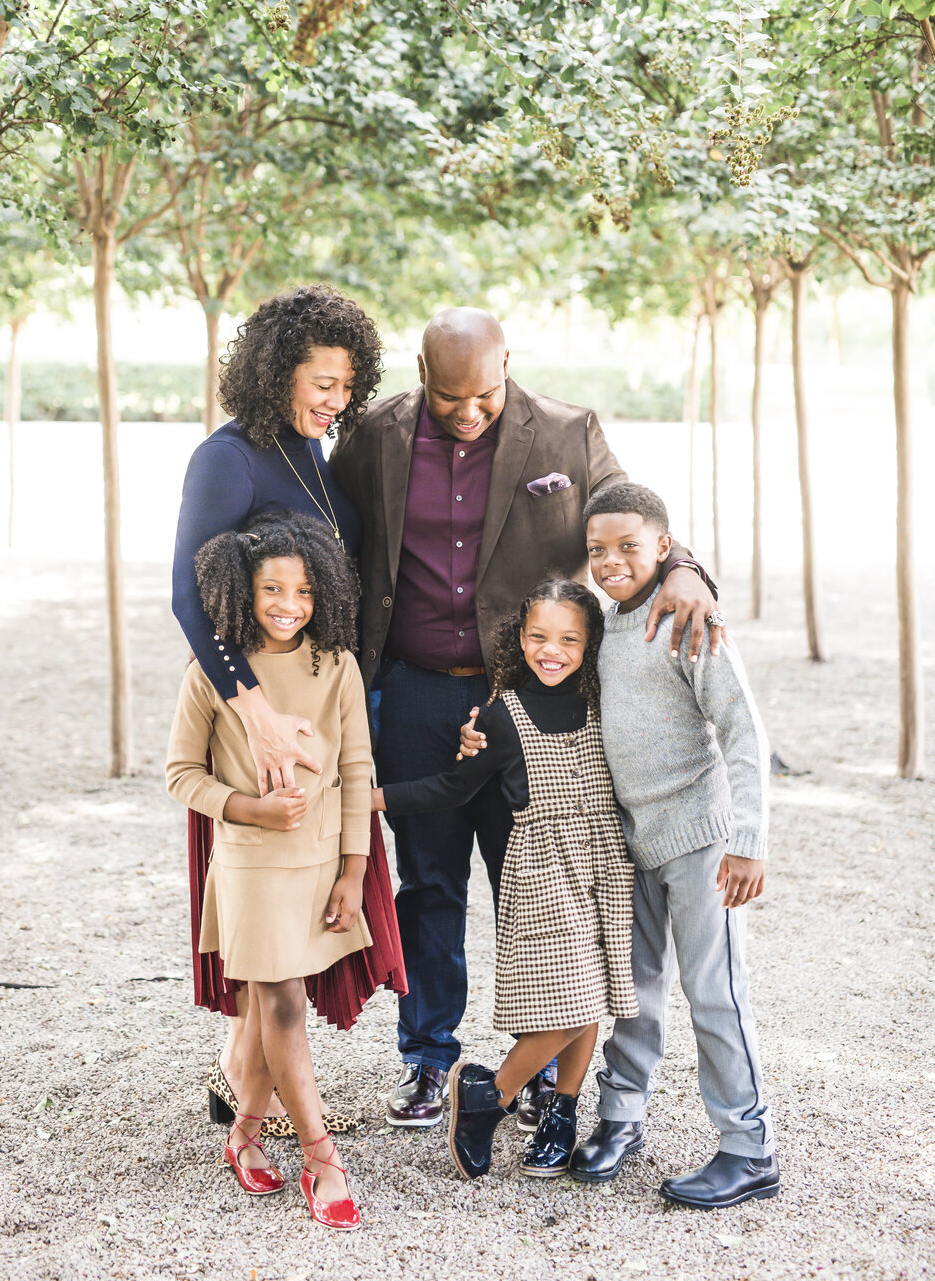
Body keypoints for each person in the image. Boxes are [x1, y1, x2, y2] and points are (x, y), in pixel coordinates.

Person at [330, 306, 719, 1131]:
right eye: (447, 397)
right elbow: (329, 539)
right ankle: (429, 1058)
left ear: (509, 363)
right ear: (422, 375)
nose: (467, 413)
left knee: (539, 890)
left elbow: (628, 515)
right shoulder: (374, 434)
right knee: (427, 884)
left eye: (484, 394)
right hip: (412, 693)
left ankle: (536, 1060)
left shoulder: (570, 434)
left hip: (534, 701)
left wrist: (684, 566)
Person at [171, 283, 404, 1134]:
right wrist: (252, 711)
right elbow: (187, 597)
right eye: (321, 384)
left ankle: (246, 1073)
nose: (336, 402)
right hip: (251, 733)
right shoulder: (226, 458)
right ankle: (257, 1079)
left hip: (324, 707)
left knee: (306, 917)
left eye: (347, 387)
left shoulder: (314, 454)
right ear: (277, 374)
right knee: (271, 911)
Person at [371, 578, 638, 1180]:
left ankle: (562, 1113)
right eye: (539, 636)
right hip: (543, 873)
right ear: (518, 639)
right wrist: (370, 799)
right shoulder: (500, 713)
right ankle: (491, 1094)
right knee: (576, 996)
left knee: (592, 991)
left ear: (591, 643)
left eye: (570, 639)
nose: (553, 650)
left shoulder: (607, 704)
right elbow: (450, 788)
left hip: (604, 869)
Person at [568, 481, 778, 1210]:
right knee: (633, 992)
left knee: (714, 994)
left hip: (701, 843)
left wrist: (747, 841)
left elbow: (744, 729)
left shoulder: (688, 618)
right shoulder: (603, 626)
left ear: (666, 547)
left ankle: (748, 1149)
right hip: (633, 843)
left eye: (629, 546)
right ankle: (621, 1117)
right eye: (598, 550)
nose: (612, 562)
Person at [166, 512, 370, 1230]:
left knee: (268, 1017)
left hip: (319, 864)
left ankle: (244, 1137)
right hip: (251, 865)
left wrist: (354, 869)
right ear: (239, 593)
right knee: (281, 1002)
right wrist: (249, 810)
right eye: (271, 590)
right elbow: (181, 775)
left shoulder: (336, 664)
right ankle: (323, 1158)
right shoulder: (213, 675)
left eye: (305, 591)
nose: (289, 604)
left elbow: (355, 769)